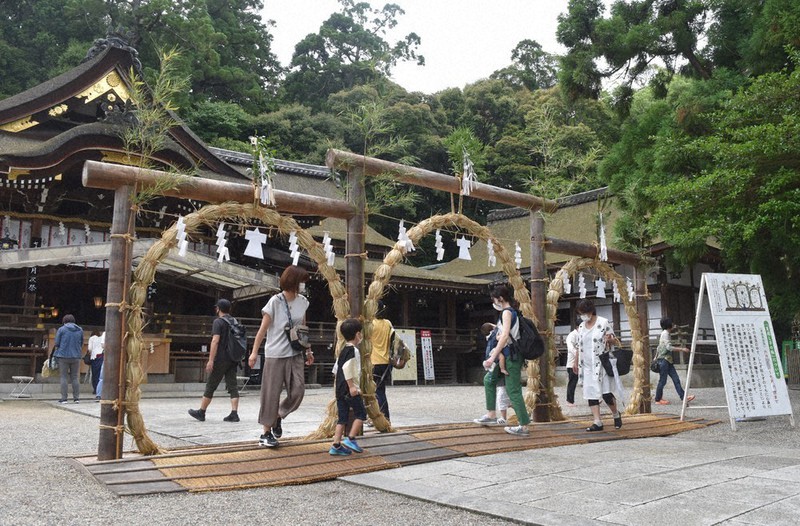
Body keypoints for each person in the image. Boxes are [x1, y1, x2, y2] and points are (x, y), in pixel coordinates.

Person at [248, 265, 314, 447]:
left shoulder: (303, 302)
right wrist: (254, 352)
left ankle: (278, 415)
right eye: (301, 282)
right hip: (275, 354)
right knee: (271, 394)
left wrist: (308, 351)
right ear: (294, 282)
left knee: (298, 391)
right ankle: (266, 433)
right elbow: (262, 330)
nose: (303, 286)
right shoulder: (275, 302)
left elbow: (303, 329)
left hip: (295, 353)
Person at [474, 284, 531, 436]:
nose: (494, 302)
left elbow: (505, 336)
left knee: (513, 390)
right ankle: (491, 414)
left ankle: (524, 425)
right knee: (489, 380)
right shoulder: (513, 312)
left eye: (494, 299)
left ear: (500, 298)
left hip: (510, 355)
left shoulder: (507, 312)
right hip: (508, 355)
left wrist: (492, 357)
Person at [188, 299, 242, 423]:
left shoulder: (218, 322)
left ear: (218, 309)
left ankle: (201, 412)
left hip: (221, 358)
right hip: (233, 358)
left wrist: (211, 360)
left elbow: (215, 341)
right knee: (233, 386)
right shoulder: (234, 321)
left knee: (211, 385)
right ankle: (234, 413)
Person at [574, 299, 623, 431]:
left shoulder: (603, 322)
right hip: (587, 365)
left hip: (601, 363)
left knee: (606, 393)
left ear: (590, 311)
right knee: (591, 394)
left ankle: (616, 414)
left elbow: (615, 341)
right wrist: (575, 361)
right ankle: (597, 421)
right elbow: (579, 345)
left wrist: (610, 339)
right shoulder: (581, 326)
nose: (582, 316)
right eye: (580, 314)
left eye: (584, 313)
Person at [330, 318, 367, 456]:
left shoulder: (343, 350)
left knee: (342, 418)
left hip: (340, 389)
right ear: (358, 334)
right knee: (361, 414)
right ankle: (351, 438)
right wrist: (352, 387)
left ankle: (336, 444)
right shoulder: (353, 351)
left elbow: (336, 369)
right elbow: (347, 368)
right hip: (349, 390)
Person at [654, 318, 696, 405]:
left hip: (667, 361)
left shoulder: (666, 333)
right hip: (664, 361)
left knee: (676, 379)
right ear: (669, 325)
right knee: (663, 381)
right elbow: (669, 347)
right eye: (672, 323)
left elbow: (659, 347)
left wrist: (655, 357)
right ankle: (658, 399)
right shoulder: (665, 334)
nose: (673, 324)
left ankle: (683, 397)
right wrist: (682, 349)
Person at [480, 322, 511, 424]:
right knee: (507, 392)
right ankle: (523, 414)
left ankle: (492, 414)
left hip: (496, 361)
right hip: (498, 360)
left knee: (488, 380)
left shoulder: (493, 336)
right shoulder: (496, 332)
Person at [370, 302, 395, 422]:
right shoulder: (388, 323)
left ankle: (382, 418)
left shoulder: (371, 324)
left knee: (375, 392)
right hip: (386, 362)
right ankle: (384, 417)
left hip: (373, 361)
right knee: (380, 390)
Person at [53, 314, 84, 403]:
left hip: (63, 355)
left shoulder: (61, 329)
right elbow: (81, 342)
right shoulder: (80, 330)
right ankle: (76, 398)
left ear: (64, 321)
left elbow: (57, 343)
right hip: (76, 356)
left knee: (63, 377)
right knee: (75, 377)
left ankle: (64, 398)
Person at [565, 328, 580, 407]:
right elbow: (571, 348)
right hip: (572, 363)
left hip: (582, 363)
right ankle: (569, 400)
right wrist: (579, 354)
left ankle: (595, 398)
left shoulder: (583, 334)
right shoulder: (572, 335)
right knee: (572, 382)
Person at [87, 330, 104, 396]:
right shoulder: (102, 338)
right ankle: (100, 390)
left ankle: (96, 389)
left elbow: (90, 348)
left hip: (95, 357)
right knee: (101, 374)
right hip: (102, 356)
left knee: (95, 374)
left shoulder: (92, 338)